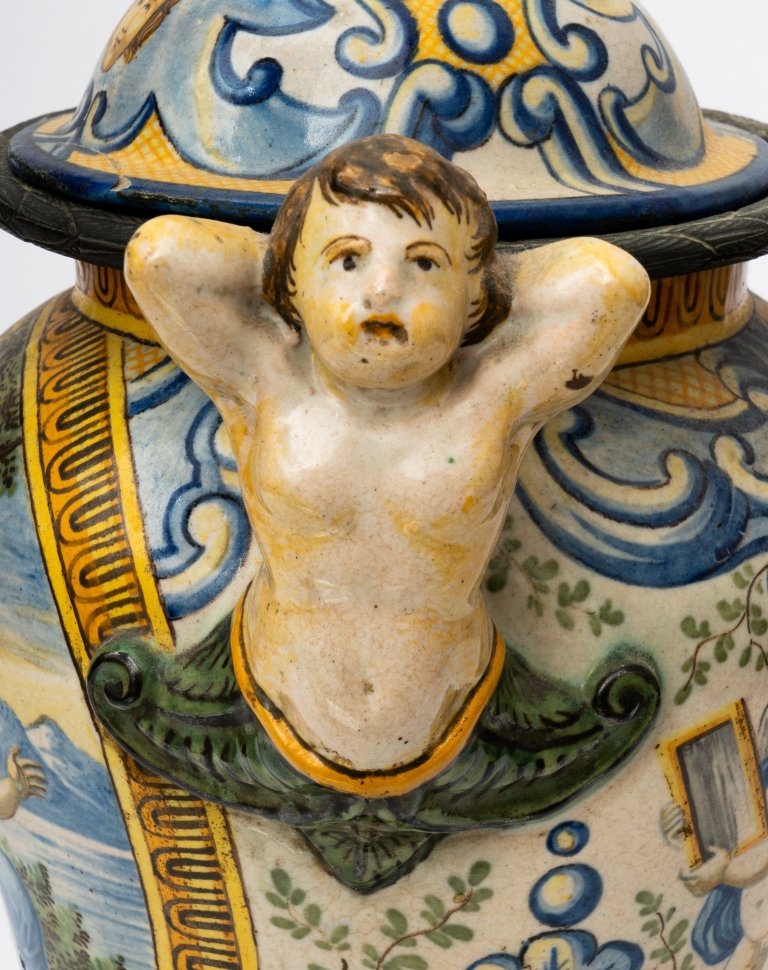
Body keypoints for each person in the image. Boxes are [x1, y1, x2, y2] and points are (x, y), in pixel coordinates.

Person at [125, 133, 649, 786]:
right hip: (262, 701)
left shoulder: (492, 396)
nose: (382, 289)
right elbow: (158, 255)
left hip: (470, 715)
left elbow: (612, 282)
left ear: (474, 297)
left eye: (423, 265)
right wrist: (281, 264)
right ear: (294, 283)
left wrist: (488, 280)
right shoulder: (264, 378)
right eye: (348, 260)